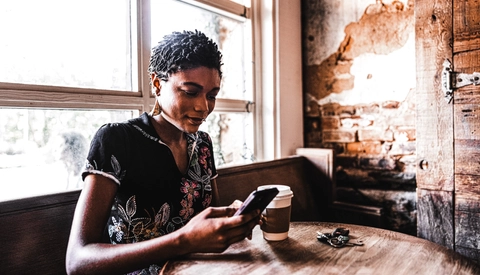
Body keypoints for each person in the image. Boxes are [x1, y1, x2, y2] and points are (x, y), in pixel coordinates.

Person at [66, 30, 261, 275]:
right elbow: (78, 262)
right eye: (190, 92)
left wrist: (232, 221)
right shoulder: (117, 140)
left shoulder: (202, 144)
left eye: (212, 95)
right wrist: (183, 241)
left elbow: (207, 225)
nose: (203, 107)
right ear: (157, 84)